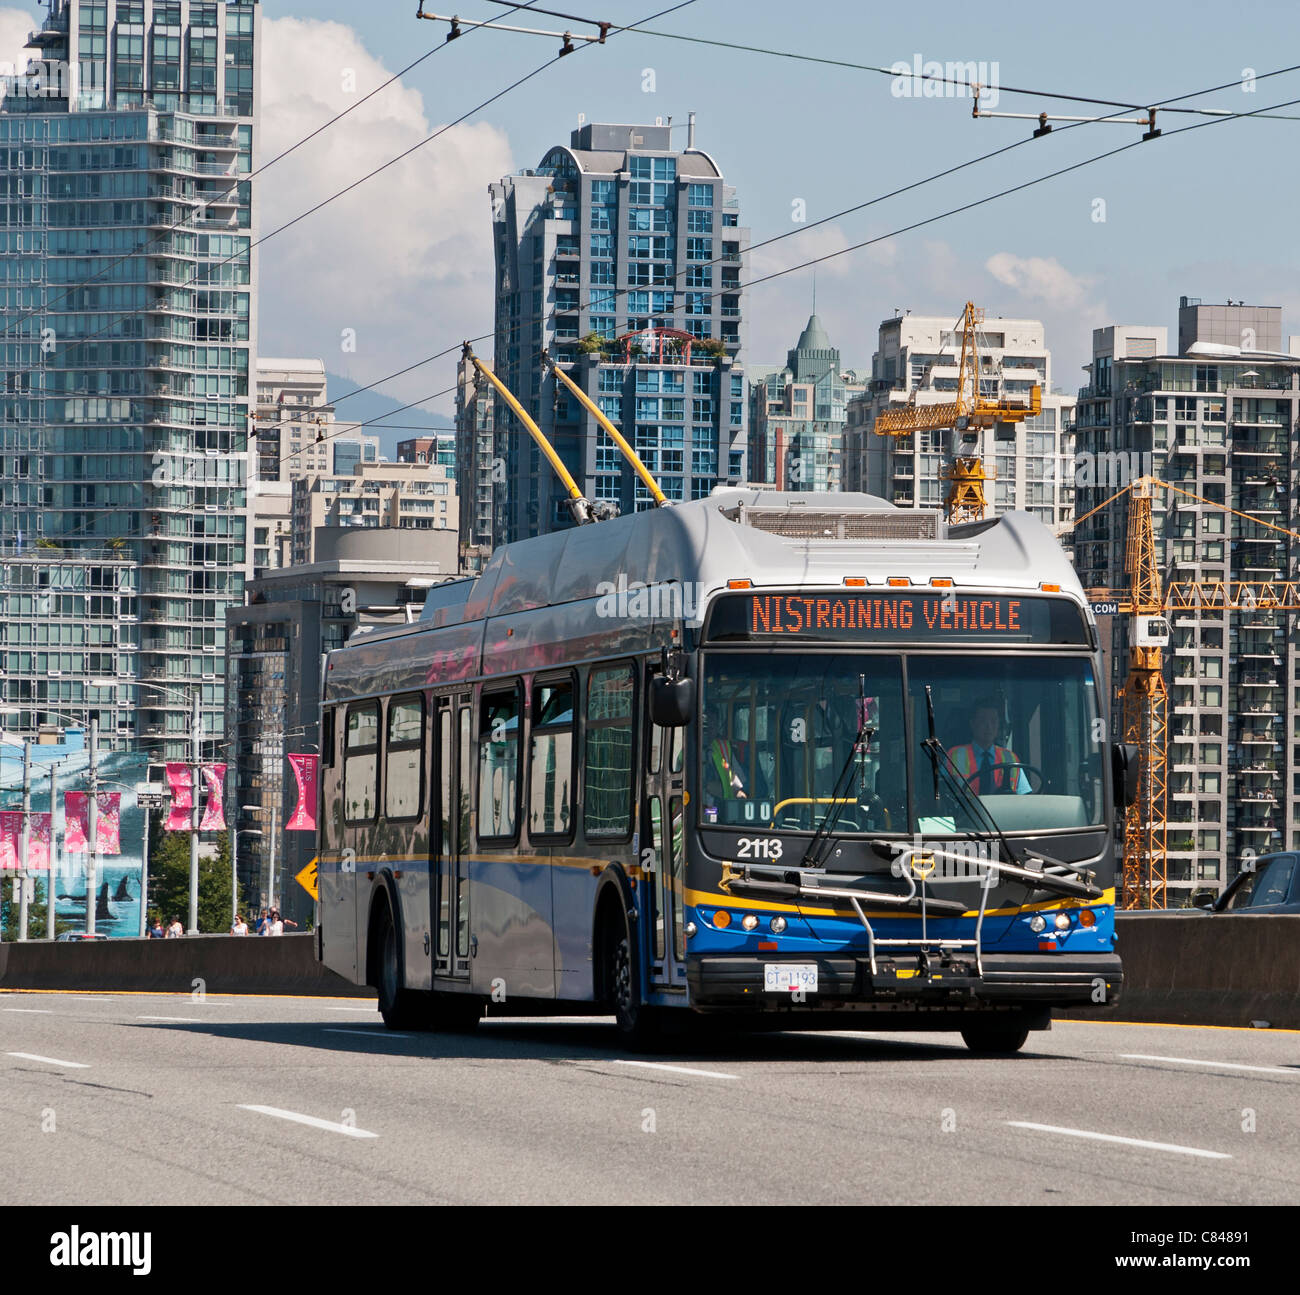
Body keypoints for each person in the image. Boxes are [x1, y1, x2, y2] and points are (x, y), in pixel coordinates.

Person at [946, 699, 1030, 795]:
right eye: (983, 720)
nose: (989, 726)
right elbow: (942, 793)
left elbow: (1024, 795)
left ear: (999, 724)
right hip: (966, 810)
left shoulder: (1010, 758)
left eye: (993, 721)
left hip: (1003, 809)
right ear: (972, 724)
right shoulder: (954, 756)